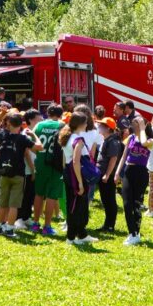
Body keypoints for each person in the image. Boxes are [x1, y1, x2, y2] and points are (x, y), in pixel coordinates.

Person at [0, 113, 40, 238]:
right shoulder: (22, 138)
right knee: (14, 205)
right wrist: (34, 135)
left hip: (4, 173)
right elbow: (39, 147)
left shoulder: (2, 135)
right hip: (18, 174)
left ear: (8, 123)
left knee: (2, 203)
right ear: (21, 124)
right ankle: (9, 229)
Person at [59, 112, 97, 245]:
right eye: (85, 122)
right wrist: (80, 182)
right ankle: (71, 237)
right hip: (76, 174)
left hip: (68, 173)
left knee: (73, 204)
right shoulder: (78, 140)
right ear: (80, 124)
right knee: (77, 206)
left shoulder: (66, 137)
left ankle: (81, 234)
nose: (87, 125)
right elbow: (76, 161)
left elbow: (65, 159)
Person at [116, 115, 151, 245]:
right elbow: (124, 156)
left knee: (136, 204)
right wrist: (117, 172)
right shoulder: (130, 138)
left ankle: (136, 232)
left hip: (141, 173)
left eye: (137, 123)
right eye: (134, 123)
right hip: (129, 171)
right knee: (126, 203)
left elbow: (143, 143)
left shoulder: (150, 140)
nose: (134, 126)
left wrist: (142, 127)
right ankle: (132, 233)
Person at [29, 104, 63, 236]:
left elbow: (32, 146)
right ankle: (47, 226)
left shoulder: (39, 125)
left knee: (39, 194)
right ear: (61, 113)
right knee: (51, 195)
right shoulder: (62, 126)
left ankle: (35, 223)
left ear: (47, 113)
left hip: (40, 164)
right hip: (56, 165)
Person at [17, 109, 43, 231]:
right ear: (31, 120)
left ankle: (26, 217)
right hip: (26, 170)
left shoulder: (33, 133)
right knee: (24, 195)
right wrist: (33, 170)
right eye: (39, 119)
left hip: (32, 170)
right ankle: (19, 219)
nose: (41, 120)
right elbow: (26, 153)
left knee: (30, 194)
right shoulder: (26, 134)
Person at [96, 117, 122, 233]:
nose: (99, 127)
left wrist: (107, 174)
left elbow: (113, 159)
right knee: (105, 200)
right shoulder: (107, 139)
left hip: (108, 176)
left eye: (102, 125)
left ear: (108, 128)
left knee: (109, 200)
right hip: (103, 174)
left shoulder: (112, 141)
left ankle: (110, 225)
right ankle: (107, 224)